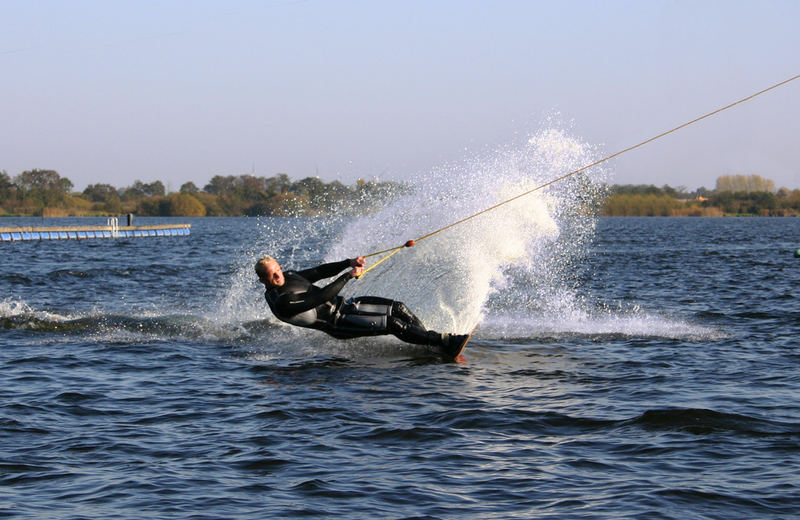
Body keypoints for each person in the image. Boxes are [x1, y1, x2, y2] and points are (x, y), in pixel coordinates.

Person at [255, 256, 468, 356]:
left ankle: (428, 342)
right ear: (262, 281)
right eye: (271, 275)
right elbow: (319, 297)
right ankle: (442, 340)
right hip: (338, 323)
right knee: (393, 324)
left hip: (346, 306)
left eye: (278, 270)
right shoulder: (281, 302)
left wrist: (348, 263)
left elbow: (320, 272)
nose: (278, 276)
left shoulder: (289, 275)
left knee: (398, 308)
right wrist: (348, 276)